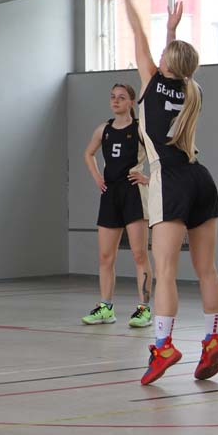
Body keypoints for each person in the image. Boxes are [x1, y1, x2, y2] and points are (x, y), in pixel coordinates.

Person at [108, 0, 218, 385]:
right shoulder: (195, 91)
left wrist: (127, 0)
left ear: (166, 63)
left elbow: (138, 36)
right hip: (200, 176)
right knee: (207, 270)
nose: (157, 57)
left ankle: (163, 346)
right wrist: (173, 32)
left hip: (169, 180)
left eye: (163, 55)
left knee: (166, 271)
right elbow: (179, 68)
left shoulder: (151, 82)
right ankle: (212, 340)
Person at [81, 83, 152, 328]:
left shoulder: (141, 129)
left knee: (139, 254)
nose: (116, 101)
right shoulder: (104, 129)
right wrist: (97, 177)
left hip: (133, 193)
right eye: (113, 97)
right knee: (105, 256)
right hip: (110, 194)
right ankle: (106, 308)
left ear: (131, 102)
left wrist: (148, 178)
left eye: (121, 97)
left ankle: (144, 309)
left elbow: (161, 156)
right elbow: (88, 154)